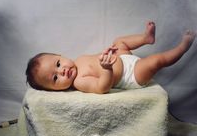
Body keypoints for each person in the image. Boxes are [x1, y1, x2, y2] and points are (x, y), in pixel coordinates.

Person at [26, 22, 196, 94]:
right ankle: (182, 47)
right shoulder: (79, 82)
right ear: (57, 90)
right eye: (55, 78)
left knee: (119, 41)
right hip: (130, 76)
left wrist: (109, 53)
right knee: (155, 61)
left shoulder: (78, 60)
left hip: (122, 59)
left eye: (58, 63)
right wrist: (106, 69)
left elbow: (97, 61)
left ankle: (146, 38)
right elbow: (102, 87)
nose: (62, 70)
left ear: (60, 55)